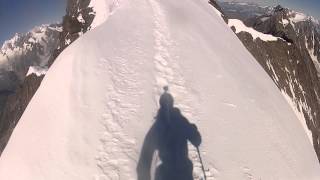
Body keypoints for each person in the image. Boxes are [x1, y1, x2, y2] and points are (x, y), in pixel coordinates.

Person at [137, 87, 202, 180]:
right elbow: (197, 141)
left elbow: (145, 157)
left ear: (161, 105)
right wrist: (192, 129)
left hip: (165, 175)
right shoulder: (181, 122)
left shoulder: (157, 128)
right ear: (172, 104)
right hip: (184, 173)